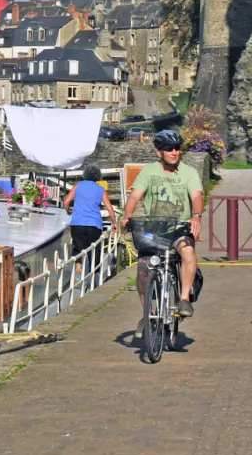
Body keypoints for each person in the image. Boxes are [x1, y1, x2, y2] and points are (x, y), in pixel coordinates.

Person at [121, 129, 203, 339]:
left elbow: (197, 196)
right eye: (169, 149)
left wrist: (196, 216)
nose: (175, 152)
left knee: (188, 252)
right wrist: (126, 215)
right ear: (159, 152)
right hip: (153, 229)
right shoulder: (149, 172)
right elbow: (134, 196)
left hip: (178, 228)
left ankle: (184, 298)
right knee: (142, 271)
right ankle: (149, 314)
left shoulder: (189, 173)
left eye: (177, 148)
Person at [63, 164, 117, 275]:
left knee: (78, 247)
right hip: (94, 224)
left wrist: (68, 210)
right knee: (95, 249)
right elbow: (110, 208)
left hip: (77, 223)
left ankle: (78, 267)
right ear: (98, 176)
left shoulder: (78, 185)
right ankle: (94, 272)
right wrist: (114, 222)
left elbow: (66, 201)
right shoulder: (100, 189)